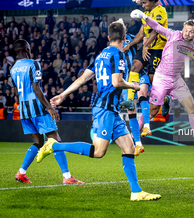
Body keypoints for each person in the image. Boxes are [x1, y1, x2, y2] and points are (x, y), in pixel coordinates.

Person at [37, 20, 161, 201]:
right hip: (105, 109)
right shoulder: (117, 55)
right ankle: (54, 145)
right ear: (125, 38)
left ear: (109, 37)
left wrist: (62, 95)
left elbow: (81, 80)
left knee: (129, 147)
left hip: (112, 109)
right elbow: (117, 82)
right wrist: (133, 85)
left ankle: (136, 192)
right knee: (98, 152)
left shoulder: (101, 55)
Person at [128, 9, 194, 154]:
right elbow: (157, 27)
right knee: (153, 111)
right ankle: (133, 136)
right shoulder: (173, 35)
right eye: (187, 31)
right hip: (162, 78)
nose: (189, 34)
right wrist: (144, 16)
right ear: (183, 29)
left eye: (192, 32)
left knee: (193, 108)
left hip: (176, 80)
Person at [10, 39, 84, 185]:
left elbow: (17, 92)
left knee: (38, 142)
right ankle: (67, 177)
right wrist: (49, 107)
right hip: (37, 107)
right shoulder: (33, 64)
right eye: (29, 48)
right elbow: (36, 88)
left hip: (24, 110)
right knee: (55, 139)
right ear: (26, 49)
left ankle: (21, 173)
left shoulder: (12, 69)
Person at [120, 0, 168, 138]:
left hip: (158, 48)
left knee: (153, 78)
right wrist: (129, 45)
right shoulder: (147, 12)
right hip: (147, 46)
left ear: (153, 0)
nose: (143, 5)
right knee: (134, 67)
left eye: (145, 2)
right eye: (141, 3)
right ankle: (129, 100)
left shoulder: (160, 11)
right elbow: (142, 32)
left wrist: (146, 46)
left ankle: (166, 97)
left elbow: (156, 30)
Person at [121, 33, 151, 156]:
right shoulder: (112, 46)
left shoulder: (131, 36)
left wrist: (144, 44)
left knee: (142, 94)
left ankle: (147, 126)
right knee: (131, 111)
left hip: (140, 72)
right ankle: (138, 144)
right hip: (126, 78)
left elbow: (145, 38)